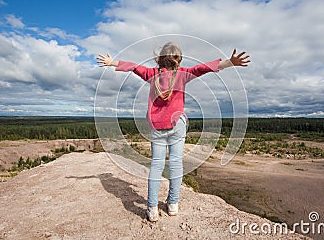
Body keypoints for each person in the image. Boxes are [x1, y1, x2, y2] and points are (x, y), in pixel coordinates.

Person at [96, 42, 250, 222]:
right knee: (176, 163)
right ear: (179, 59)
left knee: (156, 165)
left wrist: (112, 62)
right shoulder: (183, 74)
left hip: (156, 126)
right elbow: (204, 68)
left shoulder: (151, 74)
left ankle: (152, 209)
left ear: (159, 59)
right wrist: (230, 62)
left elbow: (133, 67)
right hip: (177, 124)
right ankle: (173, 205)